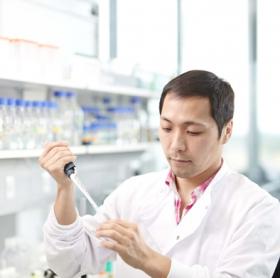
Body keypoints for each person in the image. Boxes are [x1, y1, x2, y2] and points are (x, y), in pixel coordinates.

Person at [40, 70, 280, 278]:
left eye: (193, 132)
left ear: (227, 131)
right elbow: (69, 262)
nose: (176, 144)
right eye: (166, 128)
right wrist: (64, 188)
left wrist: (149, 260)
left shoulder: (259, 209)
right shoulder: (133, 192)